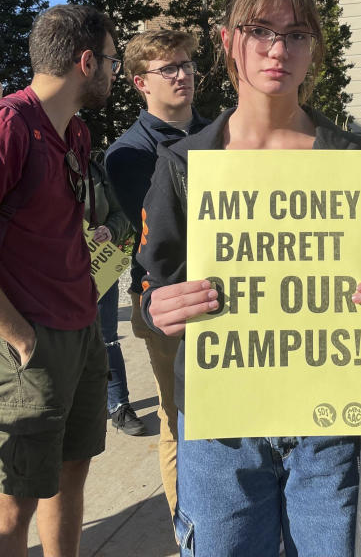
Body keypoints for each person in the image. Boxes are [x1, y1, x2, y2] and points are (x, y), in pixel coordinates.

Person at [138, 0, 361, 554]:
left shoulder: (354, 161)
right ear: (227, 40)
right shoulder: (184, 166)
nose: (277, 49)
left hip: (329, 424)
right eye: (259, 29)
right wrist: (157, 307)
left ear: (314, 45)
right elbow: (150, 288)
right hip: (221, 430)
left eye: (296, 33)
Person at [0, 4, 118, 556]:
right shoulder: (0, 128)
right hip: (21, 340)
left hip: (80, 330)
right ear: (86, 62)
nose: (112, 70)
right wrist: (21, 339)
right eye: (109, 59)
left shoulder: (75, 133)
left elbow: (50, 221)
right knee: (15, 498)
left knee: (68, 477)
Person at [105, 28, 210, 510]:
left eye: (187, 64)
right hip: (169, 299)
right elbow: (161, 237)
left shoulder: (224, 134)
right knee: (180, 420)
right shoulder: (128, 153)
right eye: (168, 68)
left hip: (230, 292)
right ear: (139, 82)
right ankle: (187, 528)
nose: (182, 74)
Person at [85, 152, 141, 434]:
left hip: (98, 266)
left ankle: (118, 405)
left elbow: (122, 213)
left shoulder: (94, 168)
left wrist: (110, 230)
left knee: (106, 338)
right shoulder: (34, 162)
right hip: (51, 273)